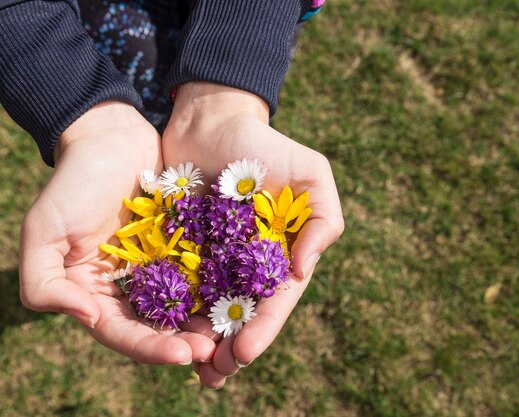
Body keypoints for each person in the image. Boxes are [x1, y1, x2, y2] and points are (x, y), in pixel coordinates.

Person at [0, 0, 343, 389]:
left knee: (171, 119)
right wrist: (85, 116)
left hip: (250, 26)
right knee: (147, 100)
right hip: (98, 31)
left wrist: (227, 92)